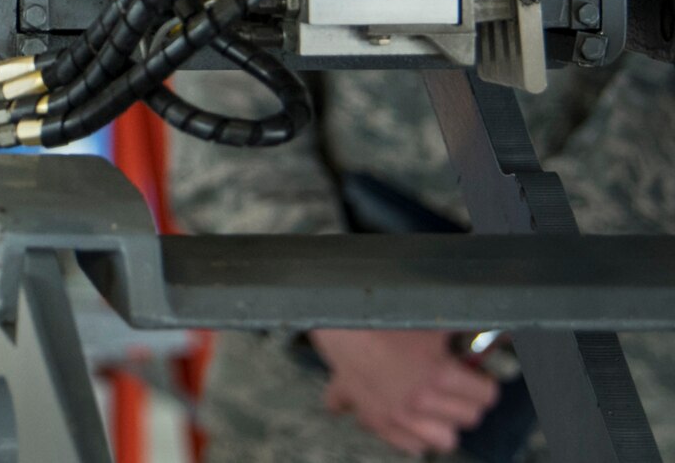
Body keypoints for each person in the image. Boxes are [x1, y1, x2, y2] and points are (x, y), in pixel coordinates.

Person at [168, 57, 675, 461]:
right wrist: (344, 319)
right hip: (322, 390)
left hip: (621, 385)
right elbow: (224, 108)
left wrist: (504, 286)